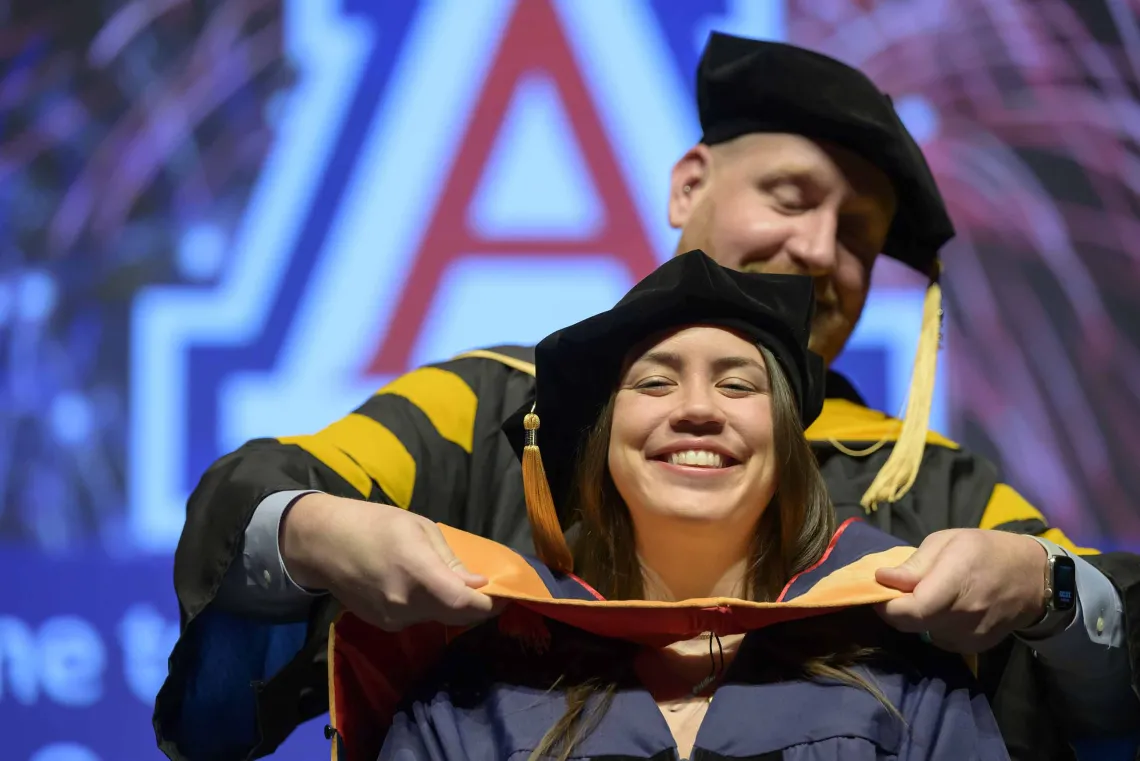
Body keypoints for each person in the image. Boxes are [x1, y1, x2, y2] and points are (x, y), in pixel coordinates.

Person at [154, 33, 1139, 761]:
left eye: (858, 234)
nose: (818, 253)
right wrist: (309, 532)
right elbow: (266, 498)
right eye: (792, 197)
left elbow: (1108, 630)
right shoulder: (498, 404)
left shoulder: (922, 475)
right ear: (688, 186)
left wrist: (1048, 588)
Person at [329, 249, 1009, 761]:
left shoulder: (904, 680)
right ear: (604, 446)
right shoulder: (473, 695)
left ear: (787, 450)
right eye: (655, 382)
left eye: (739, 385)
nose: (696, 410)